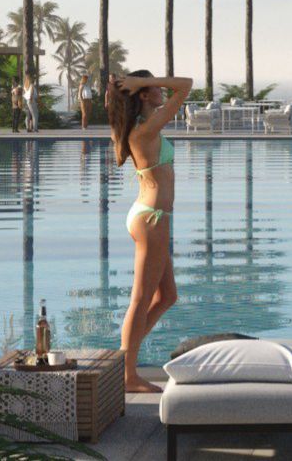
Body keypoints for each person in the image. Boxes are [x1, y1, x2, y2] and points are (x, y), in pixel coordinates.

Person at [105, 70, 194, 393]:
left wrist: (141, 83)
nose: (159, 89)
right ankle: (128, 376)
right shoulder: (144, 130)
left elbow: (180, 89)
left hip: (152, 217)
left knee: (167, 296)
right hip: (151, 219)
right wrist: (142, 81)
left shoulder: (145, 126)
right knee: (140, 300)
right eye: (153, 86)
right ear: (143, 93)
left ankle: (122, 359)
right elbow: (185, 87)